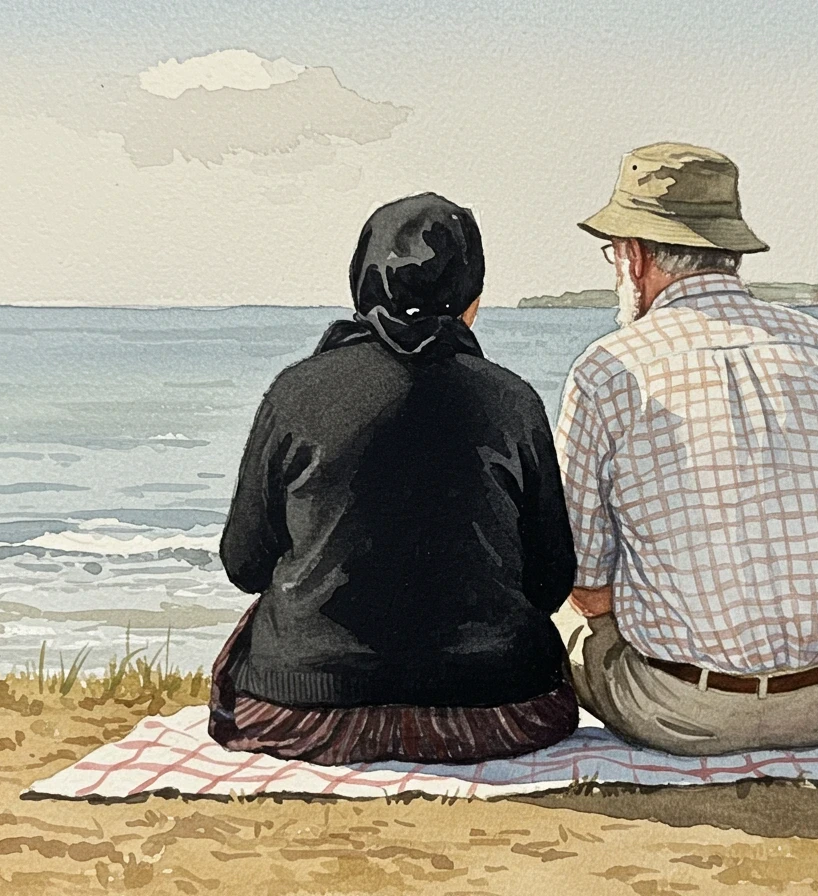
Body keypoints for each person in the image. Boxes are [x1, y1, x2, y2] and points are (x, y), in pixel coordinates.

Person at [553, 143, 818, 756]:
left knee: (559, 620)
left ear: (636, 257)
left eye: (615, 254)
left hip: (681, 714)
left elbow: (586, 587)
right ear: (731, 251)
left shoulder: (607, 371)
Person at [210, 193, 578, 764]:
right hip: (494, 716)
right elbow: (552, 582)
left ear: (362, 284)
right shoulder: (515, 400)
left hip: (306, 717)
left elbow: (244, 564)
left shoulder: (293, 393)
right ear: (472, 300)